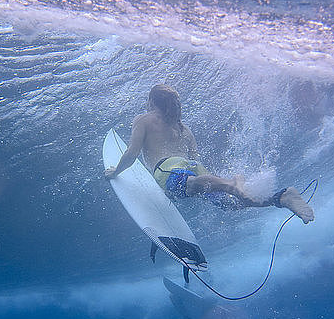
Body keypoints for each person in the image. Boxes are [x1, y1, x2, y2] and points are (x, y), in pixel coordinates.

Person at [104, 84, 314, 224]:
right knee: (231, 204)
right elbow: (194, 161)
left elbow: (132, 154)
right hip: (192, 169)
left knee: (190, 185)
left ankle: (232, 183)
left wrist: (116, 172)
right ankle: (280, 198)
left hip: (167, 169)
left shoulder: (144, 119)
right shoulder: (184, 129)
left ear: (152, 102)